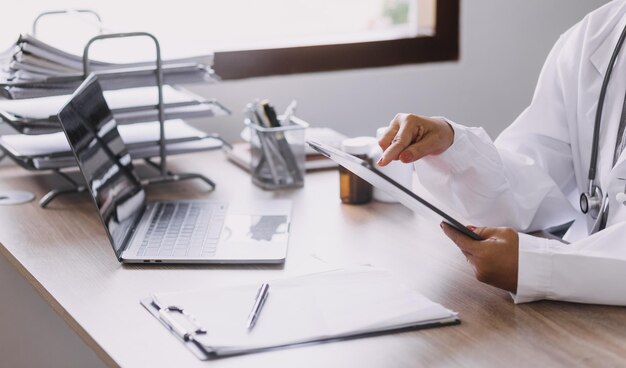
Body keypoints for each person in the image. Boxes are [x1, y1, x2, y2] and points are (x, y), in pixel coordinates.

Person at [377, 0, 626, 305]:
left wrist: (541, 268)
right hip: (585, 326)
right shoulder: (594, 36)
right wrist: (454, 145)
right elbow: (533, 177)